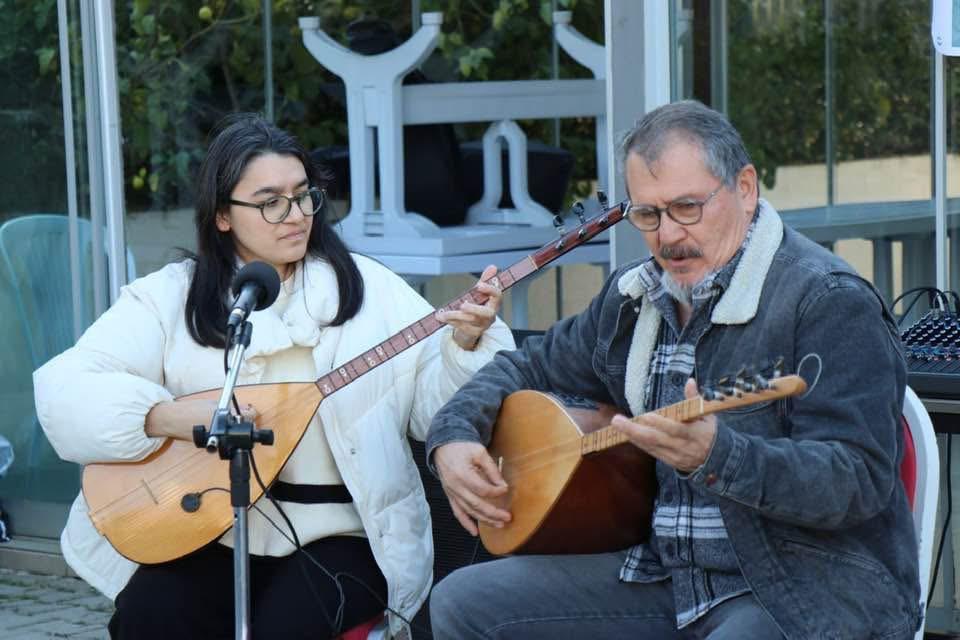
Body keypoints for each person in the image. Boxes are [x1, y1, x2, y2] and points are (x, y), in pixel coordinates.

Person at [425, 100, 921, 639]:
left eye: (687, 207)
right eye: (647, 214)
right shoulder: (633, 298)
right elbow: (526, 366)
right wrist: (453, 436)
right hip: (669, 578)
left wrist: (719, 456)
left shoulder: (827, 300)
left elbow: (857, 479)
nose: (667, 235)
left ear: (746, 188)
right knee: (462, 603)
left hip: (801, 589)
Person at [33, 113, 514, 639]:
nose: (295, 215)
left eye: (304, 196)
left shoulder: (373, 291)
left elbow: (433, 413)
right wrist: (166, 416)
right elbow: (64, 388)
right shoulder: (171, 296)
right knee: (152, 617)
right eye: (269, 202)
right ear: (222, 216)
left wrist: (464, 344)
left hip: (345, 539)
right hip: (207, 532)